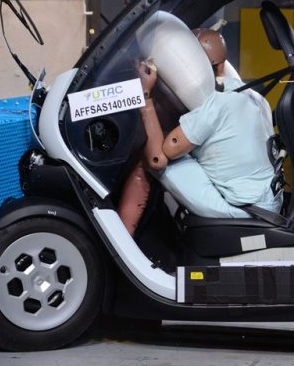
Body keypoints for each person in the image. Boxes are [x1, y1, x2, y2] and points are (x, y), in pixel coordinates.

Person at [119, 28, 281, 233]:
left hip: (243, 210)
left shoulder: (214, 104)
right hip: (270, 204)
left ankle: (120, 243)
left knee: (149, 162)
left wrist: (145, 96)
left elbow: (157, 159)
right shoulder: (256, 97)